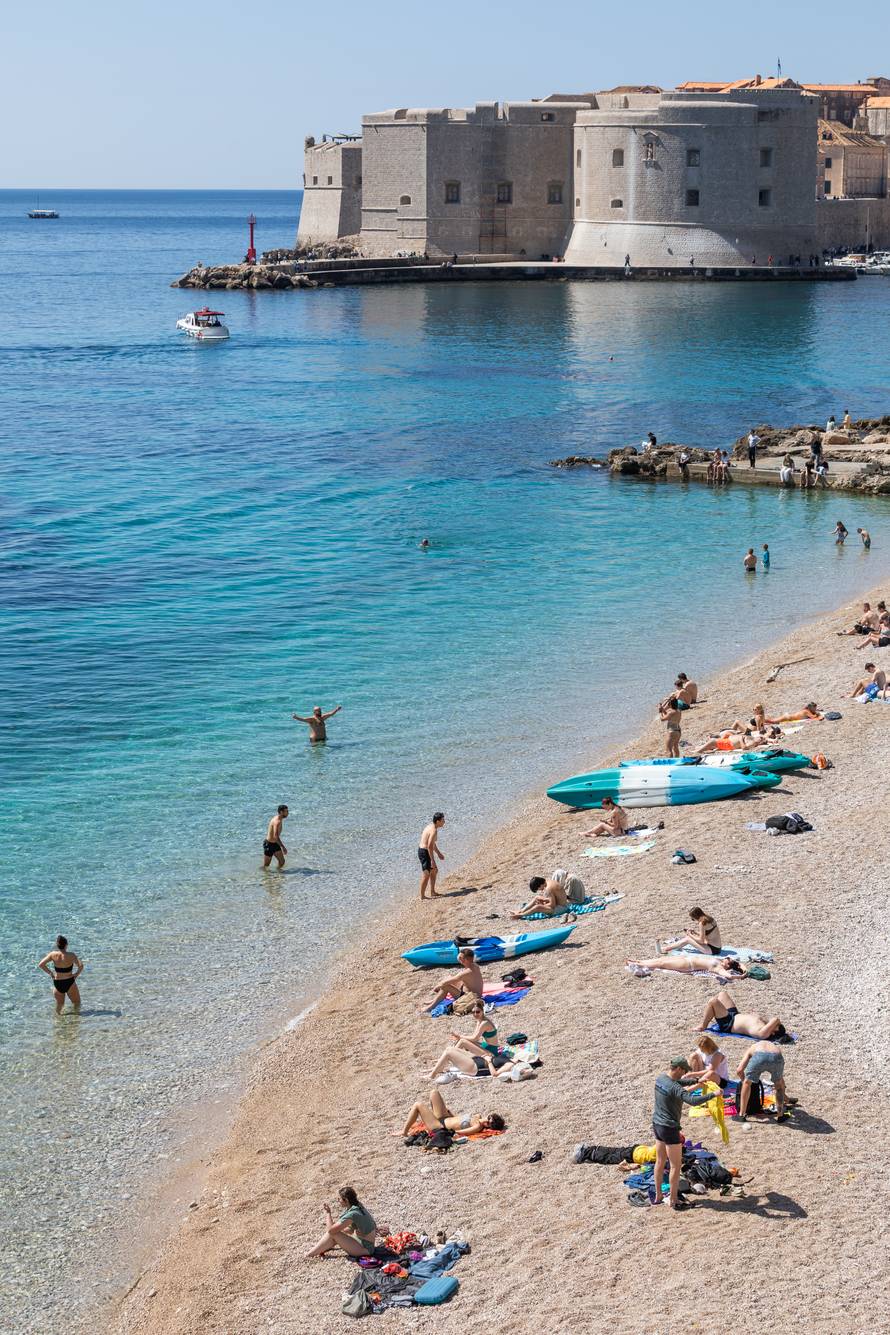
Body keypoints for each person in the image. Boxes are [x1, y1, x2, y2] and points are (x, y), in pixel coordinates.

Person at [651, 1058, 712, 1210]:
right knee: (675, 1166)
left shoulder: (661, 1079)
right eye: (684, 1071)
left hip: (657, 1124)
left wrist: (696, 1081)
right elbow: (693, 1101)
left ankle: (658, 1195)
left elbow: (679, 1083)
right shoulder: (674, 1087)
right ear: (678, 1068)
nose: (684, 1074)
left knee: (660, 1161)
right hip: (670, 1128)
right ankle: (673, 1199)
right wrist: (714, 1094)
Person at [399, 1087, 506, 1138]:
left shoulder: (477, 1126)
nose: (486, 1121)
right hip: (445, 1117)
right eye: (489, 1118)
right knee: (434, 1092)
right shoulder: (477, 1116)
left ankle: (404, 1132)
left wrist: (451, 1135)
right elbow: (459, 1120)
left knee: (418, 1105)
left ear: (489, 1127)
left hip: (440, 1127)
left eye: (489, 1123)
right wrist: (451, 1114)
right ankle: (431, 1117)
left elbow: (461, 1132)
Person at [306, 1186, 378, 1259]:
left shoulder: (353, 1213)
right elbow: (350, 1230)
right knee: (336, 1233)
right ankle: (318, 1250)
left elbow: (330, 1230)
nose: (338, 1200)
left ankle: (310, 1255)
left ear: (346, 1200)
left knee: (333, 1233)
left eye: (339, 1199)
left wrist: (328, 1213)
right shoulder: (358, 1206)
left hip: (365, 1249)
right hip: (364, 1243)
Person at [695, 988, 787, 1040]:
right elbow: (774, 1021)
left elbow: (775, 1019)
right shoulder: (765, 1027)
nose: (771, 1024)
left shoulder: (763, 1034)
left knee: (713, 1001)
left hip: (729, 1023)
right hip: (734, 1015)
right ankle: (714, 1012)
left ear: (773, 1032)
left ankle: (703, 1025)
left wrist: (777, 1025)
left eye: (774, 1026)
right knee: (722, 994)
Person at [432, 1000, 501, 1071]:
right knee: (463, 1041)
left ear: (482, 1011)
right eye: (473, 1012)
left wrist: (460, 1036)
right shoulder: (480, 1020)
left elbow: (475, 1038)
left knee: (462, 1041)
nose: (475, 1014)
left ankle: (446, 1059)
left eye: (478, 1012)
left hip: (492, 1052)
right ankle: (446, 1058)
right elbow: (474, 1037)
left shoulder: (484, 1023)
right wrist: (460, 1037)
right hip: (487, 1047)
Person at [736, 1040, 790, 1122]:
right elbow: (781, 1081)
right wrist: (786, 1098)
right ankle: (780, 1115)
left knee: (747, 1083)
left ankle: (741, 1115)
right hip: (777, 1056)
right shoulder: (774, 1047)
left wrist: (745, 1082)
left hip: (759, 1056)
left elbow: (739, 1070)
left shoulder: (752, 1047)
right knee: (779, 1086)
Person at [424, 947, 484, 1013]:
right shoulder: (475, 965)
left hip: (470, 998)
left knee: (446, 986)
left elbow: (445, 983)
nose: (459, 959)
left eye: (461, 958)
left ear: (466, 959)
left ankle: (431, 1007)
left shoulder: (467, 972)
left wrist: (437, 987)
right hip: (473, 993)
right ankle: (434, 1000)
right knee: (448, 977)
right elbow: (458, 978)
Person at [426, 1042, 526, 1081]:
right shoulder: (509, 1058)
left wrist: (489, 1061)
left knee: (449, 1052)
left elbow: (495, 1074)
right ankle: (438, 1067)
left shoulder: (510, 1064)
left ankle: (432, 1075)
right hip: (478, 1060)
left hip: (475, 1068)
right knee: (450, 1048)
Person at [38, 936, 83, 1014]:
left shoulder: (53, 954)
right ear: (66, 944)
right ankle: (76, 1018)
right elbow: (81, 966)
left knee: (60, 1005)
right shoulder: (71, 955)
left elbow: (41, 964)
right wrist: (76, 974)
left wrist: (51, 973)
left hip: (57, 983)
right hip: (69, 981)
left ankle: (58, 1020)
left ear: (57, 945)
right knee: (76, 1003)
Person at [627, 955, 747, 982]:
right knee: (662, 959)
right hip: (686, 959)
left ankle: (638, 965)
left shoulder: (720, 968)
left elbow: (729, 976)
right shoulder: (720, 961)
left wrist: (742, 975)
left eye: (728, 959)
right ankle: (639, 961)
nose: (726, 958)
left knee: (662, 963)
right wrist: (742, 967)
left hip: (688, 965)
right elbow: (739, 964)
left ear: (728, 965)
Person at [418, 813, 446, 900]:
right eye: (443, 820)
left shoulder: (431, 826)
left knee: (434, 871)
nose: (444, 822)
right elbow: (430, 846)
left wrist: (438, 853)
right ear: (438, 821)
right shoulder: (433, 830)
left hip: (424, 851)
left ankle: (432, 892)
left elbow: (432, 843)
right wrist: (432, 860)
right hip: (424, 852)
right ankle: (422, 896)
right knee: (426, 874)